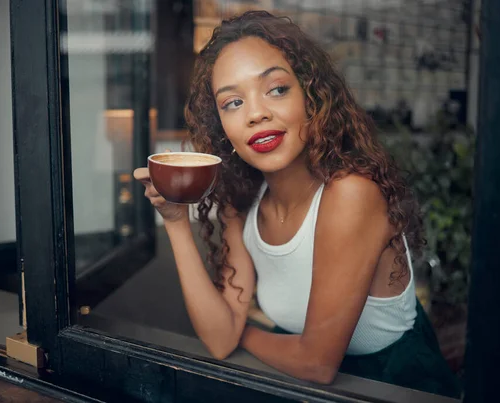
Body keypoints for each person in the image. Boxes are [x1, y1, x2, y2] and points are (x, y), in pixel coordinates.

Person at [134, 11, 461, 398]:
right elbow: (221, 340)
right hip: (294, 381)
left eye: (276, 89)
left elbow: (317, 363)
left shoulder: (351, 194)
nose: (256, 114)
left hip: (389, 384)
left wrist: (248, 332)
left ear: (311, 96)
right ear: (221, 126)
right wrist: (174, 220)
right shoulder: (241, 205)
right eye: (233, 102)